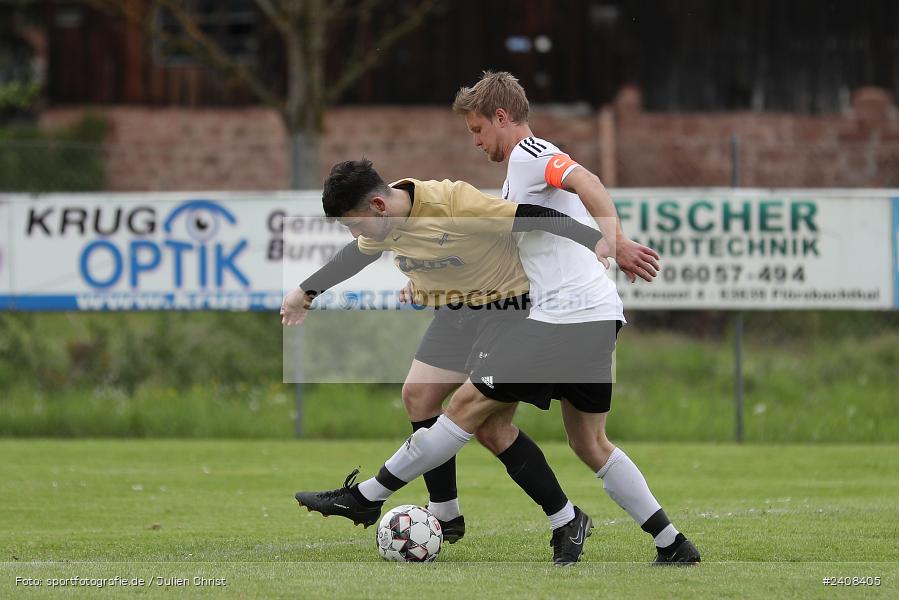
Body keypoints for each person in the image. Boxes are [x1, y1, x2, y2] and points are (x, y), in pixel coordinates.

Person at [294, 72, 700, 565]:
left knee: (465, 408)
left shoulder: (530, 154)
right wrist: (425, 281)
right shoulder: (513, 175)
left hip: (565, 316)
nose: (476, 141)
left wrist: (612, 238)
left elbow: (585, 181)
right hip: (597, 315)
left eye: (477, 130)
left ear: (501, 118)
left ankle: (368, 497)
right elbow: (503, 237)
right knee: (589, 441)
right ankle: (671, 543)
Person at [283, 158, 618, 564]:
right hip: (456, 311)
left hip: (506, 308)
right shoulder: (381, 224)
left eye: (355, 224)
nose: (356, 233)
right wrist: (306, 290)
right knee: (418, 397)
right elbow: (357, 255)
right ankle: (446, 514)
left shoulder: (453, 203)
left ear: (378, 205)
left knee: (493, 428)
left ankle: (566, 518)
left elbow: (535, 215)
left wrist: (596, 239)